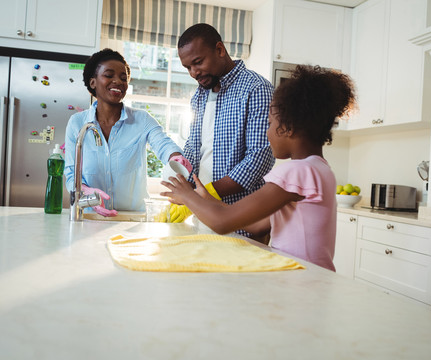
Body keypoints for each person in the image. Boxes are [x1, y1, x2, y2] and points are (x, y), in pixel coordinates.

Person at [161, 64, 356, 271]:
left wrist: (187, 196)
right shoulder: (320, 169)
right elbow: (256, 224)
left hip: (301, 282)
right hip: (312, 277)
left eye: (270, 124)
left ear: (288, 128)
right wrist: (205, 198)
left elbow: (222, 223)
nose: (267, 133)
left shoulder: (296, 173)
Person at [170, 23, 275, 230]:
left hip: (243, 220)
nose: (193, 72)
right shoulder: (199, 96)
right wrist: (187, 189)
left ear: (219, 50)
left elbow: (259, 157)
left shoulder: (256, 89)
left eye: (198, 62)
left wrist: (207, 194)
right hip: (203, 216)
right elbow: (194, 147)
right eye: (188, 68)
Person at [64, 48, 191, 216]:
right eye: (109, 75)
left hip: (133, 219)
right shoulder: (78, 123)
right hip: (90, 216)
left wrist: (176, 158)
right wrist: (87, 193)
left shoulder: (142, 120)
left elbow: (164, 144)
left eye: (123, 78)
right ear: (93, 82)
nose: (118, 81)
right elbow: (72, 173)